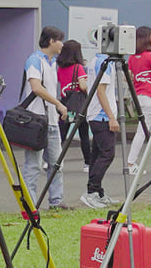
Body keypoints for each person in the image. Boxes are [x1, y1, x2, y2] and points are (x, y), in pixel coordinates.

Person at [21, 26, 70, 210]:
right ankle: (30, 204)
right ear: (51, 41)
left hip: (51, 120)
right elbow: (36, 87)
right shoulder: (35, 60)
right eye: (60, 40)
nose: (62, 45)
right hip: (36, 120)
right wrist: (58, 103)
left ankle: (56, 200)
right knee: (33, 166)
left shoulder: (53, 62)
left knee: (57, 163)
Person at [82, 35, 121, 208]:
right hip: (101, 116)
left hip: (97, 115)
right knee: (107, 154)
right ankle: (92, 191)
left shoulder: (96, 60)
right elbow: (101, 92)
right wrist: (111, 117)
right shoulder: (104, 63)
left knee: (97, 155)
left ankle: (97, 192)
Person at [125, 26, 151, 171]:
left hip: (139, 97)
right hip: (149, 97)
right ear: (146, 38)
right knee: (143, 131)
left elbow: (128, 76)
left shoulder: (131, 57)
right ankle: (130, 163)